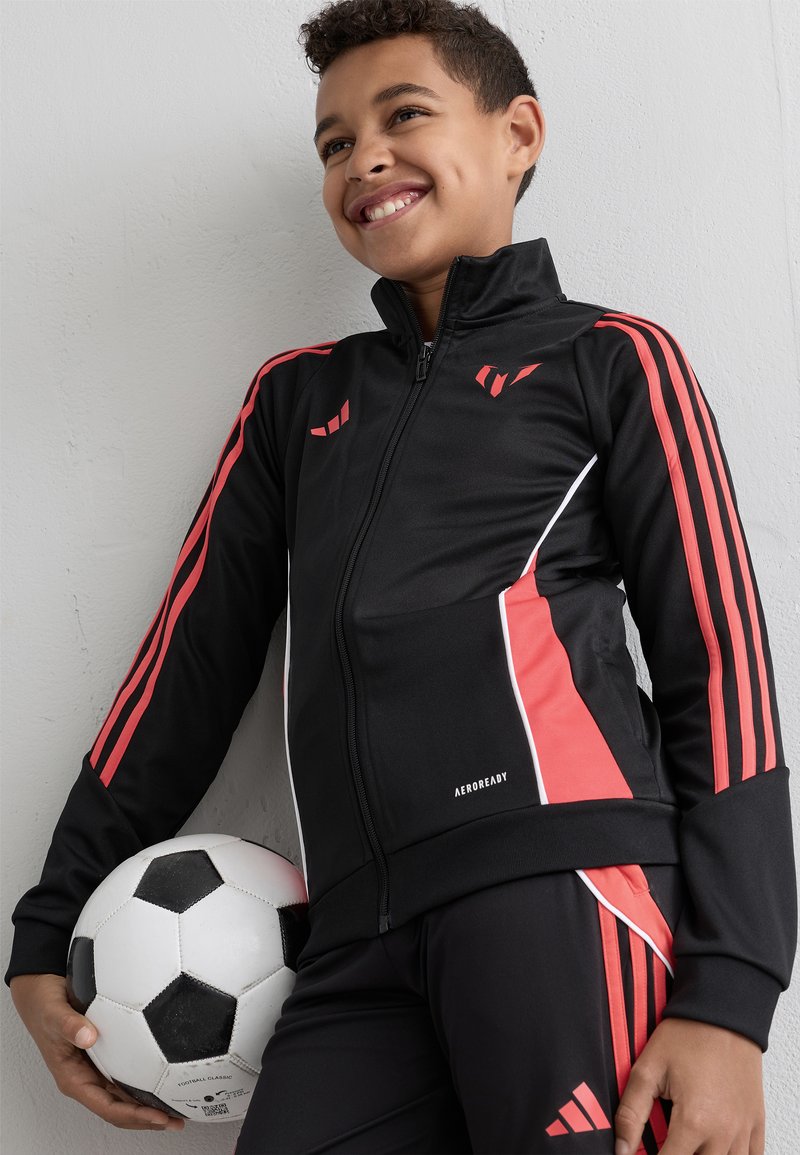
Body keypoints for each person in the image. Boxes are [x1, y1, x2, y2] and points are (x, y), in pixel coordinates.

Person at [6, 0, 796, 1152]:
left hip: (563, 892)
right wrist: (45, 930)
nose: (362, 156)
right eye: (332, 143)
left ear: (517, 133)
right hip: (346, 942)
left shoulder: (609, 361)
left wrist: (730, 995)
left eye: (402, 114)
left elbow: (716, 668)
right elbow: (185, 671)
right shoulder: (296, 401)